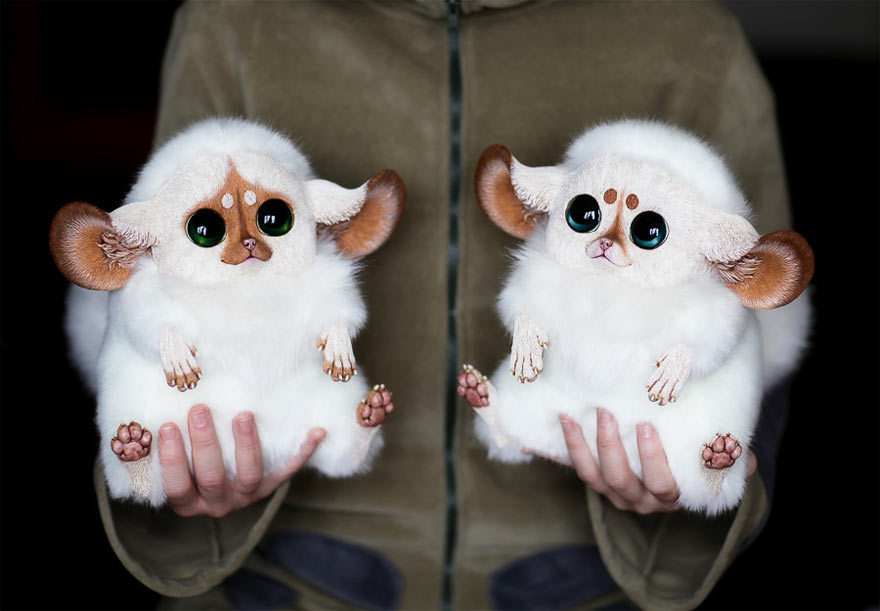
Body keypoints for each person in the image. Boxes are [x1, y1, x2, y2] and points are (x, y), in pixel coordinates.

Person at [96, 1, 796, 608]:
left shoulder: (688, 35)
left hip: (589, 583)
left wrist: (686, 495)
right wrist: (185, 493)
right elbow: (150, 284)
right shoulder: (232, 23)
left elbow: (759, 331)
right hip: (284, 580)